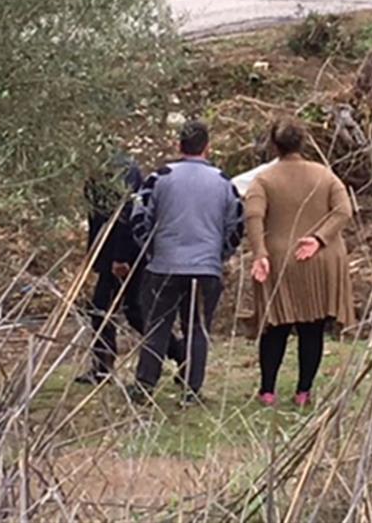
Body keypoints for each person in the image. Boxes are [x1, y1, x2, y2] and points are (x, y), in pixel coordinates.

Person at [130, 119, 243, 403]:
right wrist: (220, 256)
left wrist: (152, 251)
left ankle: (144, 386)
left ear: (179, 145)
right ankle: (191, 390)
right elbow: (237, 225)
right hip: (205, 269)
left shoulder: (160, 177)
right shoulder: (223, 182)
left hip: (164, 266)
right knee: (197, 329)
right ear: (207, 147)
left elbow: (138, 217)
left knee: (157, 326)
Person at [245, 120, 354, 407]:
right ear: (303, 143)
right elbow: (344, 211)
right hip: (319, 260)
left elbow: (253, 215)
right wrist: (319, 239)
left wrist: (260, 253)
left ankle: (268, 390)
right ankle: (303, 391)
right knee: (312, 329)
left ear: (274, 145)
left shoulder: (264, 180)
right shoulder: (325, 175)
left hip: (279, 260)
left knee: (275, 327)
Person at [76, 151, 184, 385]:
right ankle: (103, 367)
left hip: (124, 254)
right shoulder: (105, 170)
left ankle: (177, 352)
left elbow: (126, 216)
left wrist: (120, 257)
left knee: (116, 310)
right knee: (109, 309)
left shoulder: (119, 171)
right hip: (112, 253)